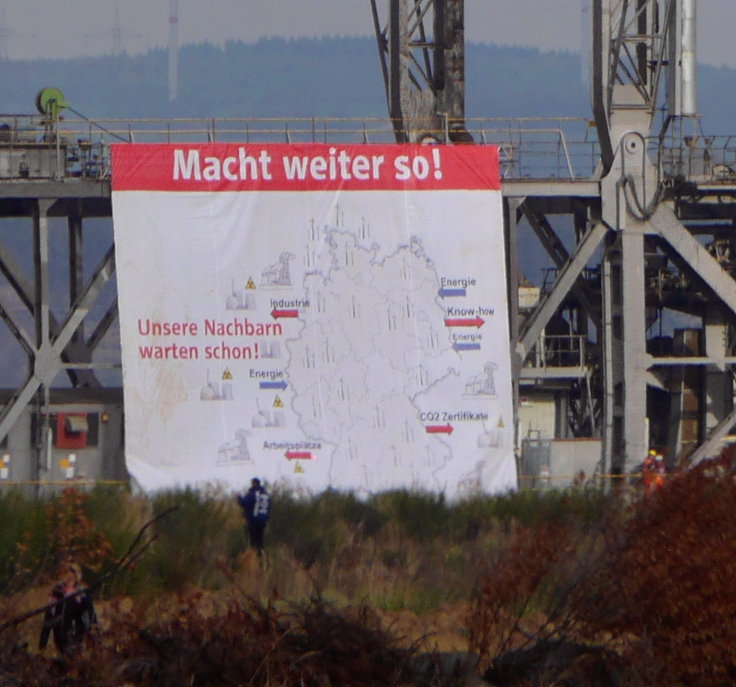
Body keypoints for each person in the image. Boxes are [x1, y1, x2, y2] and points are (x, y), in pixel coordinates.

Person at [39, 562, 97, 655]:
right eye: (64, 574)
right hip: (60, 638)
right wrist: (43, 644)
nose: (67, 578)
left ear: (76, 576)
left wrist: (94, 638)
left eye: (70, 576)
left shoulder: (83, 594)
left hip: (78, 636)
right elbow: (48, 620)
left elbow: (91, 616)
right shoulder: (56, 594)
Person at [237, 477, 271, 558]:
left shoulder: (254, 493)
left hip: (253, 520)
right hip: (263, 521)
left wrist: (239, 497)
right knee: (260, 541)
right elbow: (269, 508)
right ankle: (262, 558)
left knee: (252, 541)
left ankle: (253, 558)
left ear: (254, 483)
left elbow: (244, 503)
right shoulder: (267, 495)